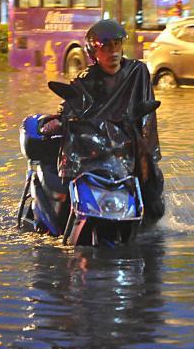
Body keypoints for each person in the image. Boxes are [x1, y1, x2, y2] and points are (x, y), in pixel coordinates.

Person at [42, 19, 165, 222]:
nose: (113, 52)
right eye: (105, 47)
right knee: (63, 208)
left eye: (116, 45)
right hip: (93, 153)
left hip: (126, 150)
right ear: (93, 52)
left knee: (153, 196)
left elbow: (147, 118)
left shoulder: (137, 72)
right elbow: (70, 106)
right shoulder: (85, 80)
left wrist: (146, 152)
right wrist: (57, 122)